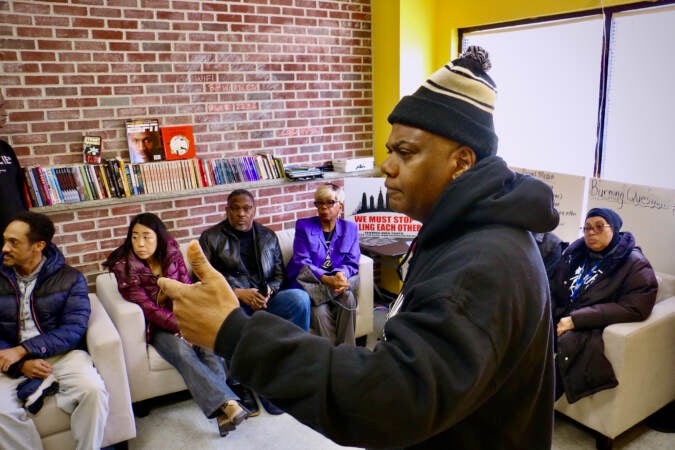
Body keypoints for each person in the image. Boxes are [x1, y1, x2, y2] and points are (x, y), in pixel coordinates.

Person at [160, 46, 559, 449]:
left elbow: (389, 401)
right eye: (389, 151)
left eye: (405, 152)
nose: (387, 165)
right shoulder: (462, 236)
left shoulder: (482, 263)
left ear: (461, 162)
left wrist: (236, 335)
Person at [103, 213, 247, 437]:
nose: (140, 244)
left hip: (183, 315)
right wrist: (180, 328)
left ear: (159, 238)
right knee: (182, 350)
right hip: (157, 327)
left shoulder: (172, 253)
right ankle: (228, 403)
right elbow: (149, 309)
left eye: (147, 237)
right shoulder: (125, 267)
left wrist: (192, 320)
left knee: (208, 346)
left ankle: (222, 412)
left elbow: (187, 287)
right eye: (134, 237)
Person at [0, 212, 109, 450]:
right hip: (9, 359)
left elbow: (74, 329)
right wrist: (20, 362)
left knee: (93, 390)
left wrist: (25, 350)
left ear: (39, 245)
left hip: (62, 355)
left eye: (14, 242)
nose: (5, 248)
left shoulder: (71, 279)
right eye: (4, 240)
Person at [198, 188, 311, 415]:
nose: (241, 213)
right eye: (235, 208)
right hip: (232, 302)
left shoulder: (268, 236)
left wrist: (269, 291)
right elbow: (202, 280)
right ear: (227, 210)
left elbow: (279, 275)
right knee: (231, 316)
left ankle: (293, 365)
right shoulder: (211, 238)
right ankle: (241, 382)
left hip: (264, 300)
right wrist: (238, 293)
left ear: (254, 210)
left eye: (246, 208)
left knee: (299, 298)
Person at [550, 207, 657, 403]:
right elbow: (555, 286)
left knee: (572, 345)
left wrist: (577, 320)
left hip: (588, 325)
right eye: (587, 228)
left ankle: (533, 415)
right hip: (560, 316)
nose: (591, 233)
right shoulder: (576, 253)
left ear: (614, 229)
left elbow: (635, 307)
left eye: (599, 227)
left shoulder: (634, 264)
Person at [286, 183, 360, 346]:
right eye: (319, 203)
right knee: (319, 312)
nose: (323, 207)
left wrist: (342, 274)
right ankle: (331, 358)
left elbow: (352, 263)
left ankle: (347, 354)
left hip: (334, 285)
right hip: (310, 285)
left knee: (348, 297)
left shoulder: (351, 229)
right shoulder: (304, 227)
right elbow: (301, 262)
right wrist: (327, 279)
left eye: (329, 202)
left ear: (340, 206)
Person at [0, 92, 29, 238]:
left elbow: (19, 193)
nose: (4, 113)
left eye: (3, 107)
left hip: (16, 238)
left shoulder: (5, 149)